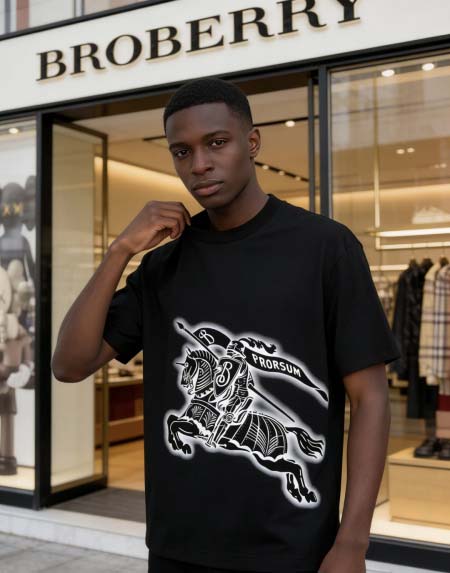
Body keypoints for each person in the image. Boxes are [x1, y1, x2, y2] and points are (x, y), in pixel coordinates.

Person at [51, 77, 401, 573]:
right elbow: (69, 364)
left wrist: (352, 543)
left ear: (252, 142)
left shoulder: (325, 248)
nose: (199, 164)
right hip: (178, 548)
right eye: (182, 151)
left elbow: (370, 398)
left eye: (216, 143)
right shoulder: (162, 266)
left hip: (292, 549)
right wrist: (119, 251)